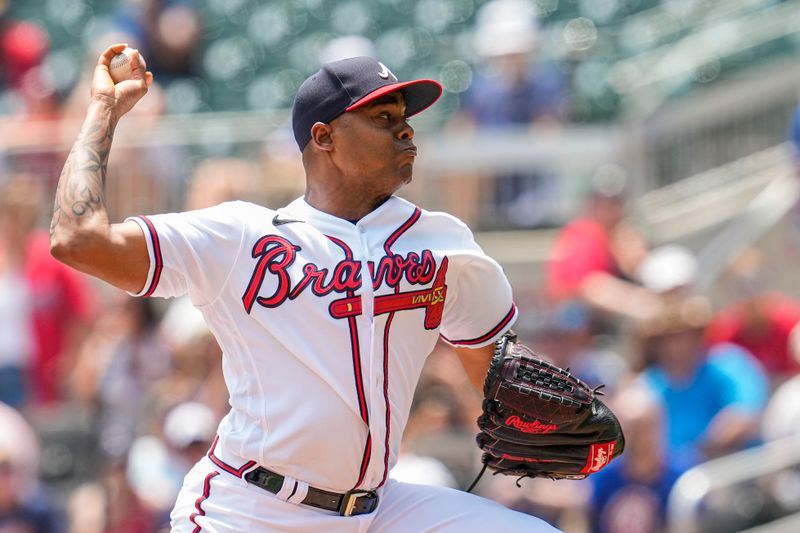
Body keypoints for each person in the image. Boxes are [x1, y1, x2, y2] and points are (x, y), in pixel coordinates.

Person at [49, 44, 560, 532]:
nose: (405, 131)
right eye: (383, 118)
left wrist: (546, 422)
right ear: (324, 138)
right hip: (252, 508)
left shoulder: (443, 242)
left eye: (405, 117)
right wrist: (103, 110)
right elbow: (78, 240)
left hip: (380, 510)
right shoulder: (244, 237)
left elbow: (495, 375)